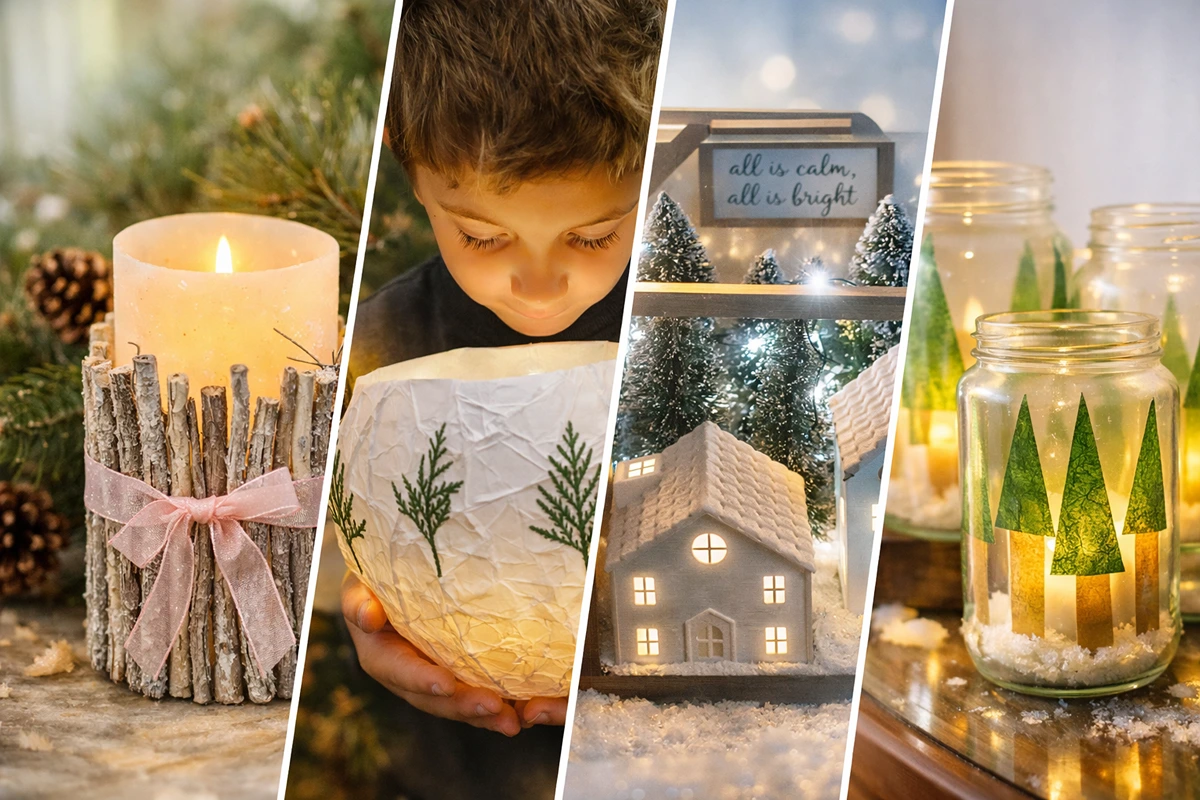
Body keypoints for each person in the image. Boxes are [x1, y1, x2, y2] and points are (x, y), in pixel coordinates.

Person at [342, 0, 666, 745]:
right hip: (444, 763)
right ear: (409, 165)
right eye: (483, 236)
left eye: (593, 235)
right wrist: (364, 609)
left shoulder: (675, 339)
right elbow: (336, 536)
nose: (542, 284)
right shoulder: (380, 345)